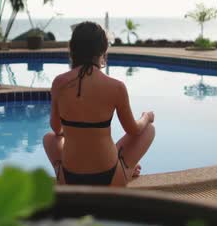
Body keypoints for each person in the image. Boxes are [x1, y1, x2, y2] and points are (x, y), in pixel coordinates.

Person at [43, 22, 155, 186]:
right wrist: (146, 117)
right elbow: (134, 130)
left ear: (73, 49)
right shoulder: (116, 87)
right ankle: (126, 171)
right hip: (108, 178)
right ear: (103, 50)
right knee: (148, 130)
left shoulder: (59, 83)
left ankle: (63, 177)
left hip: (70, 177)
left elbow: (56, 129)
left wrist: (76, 132)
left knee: (50, 139)